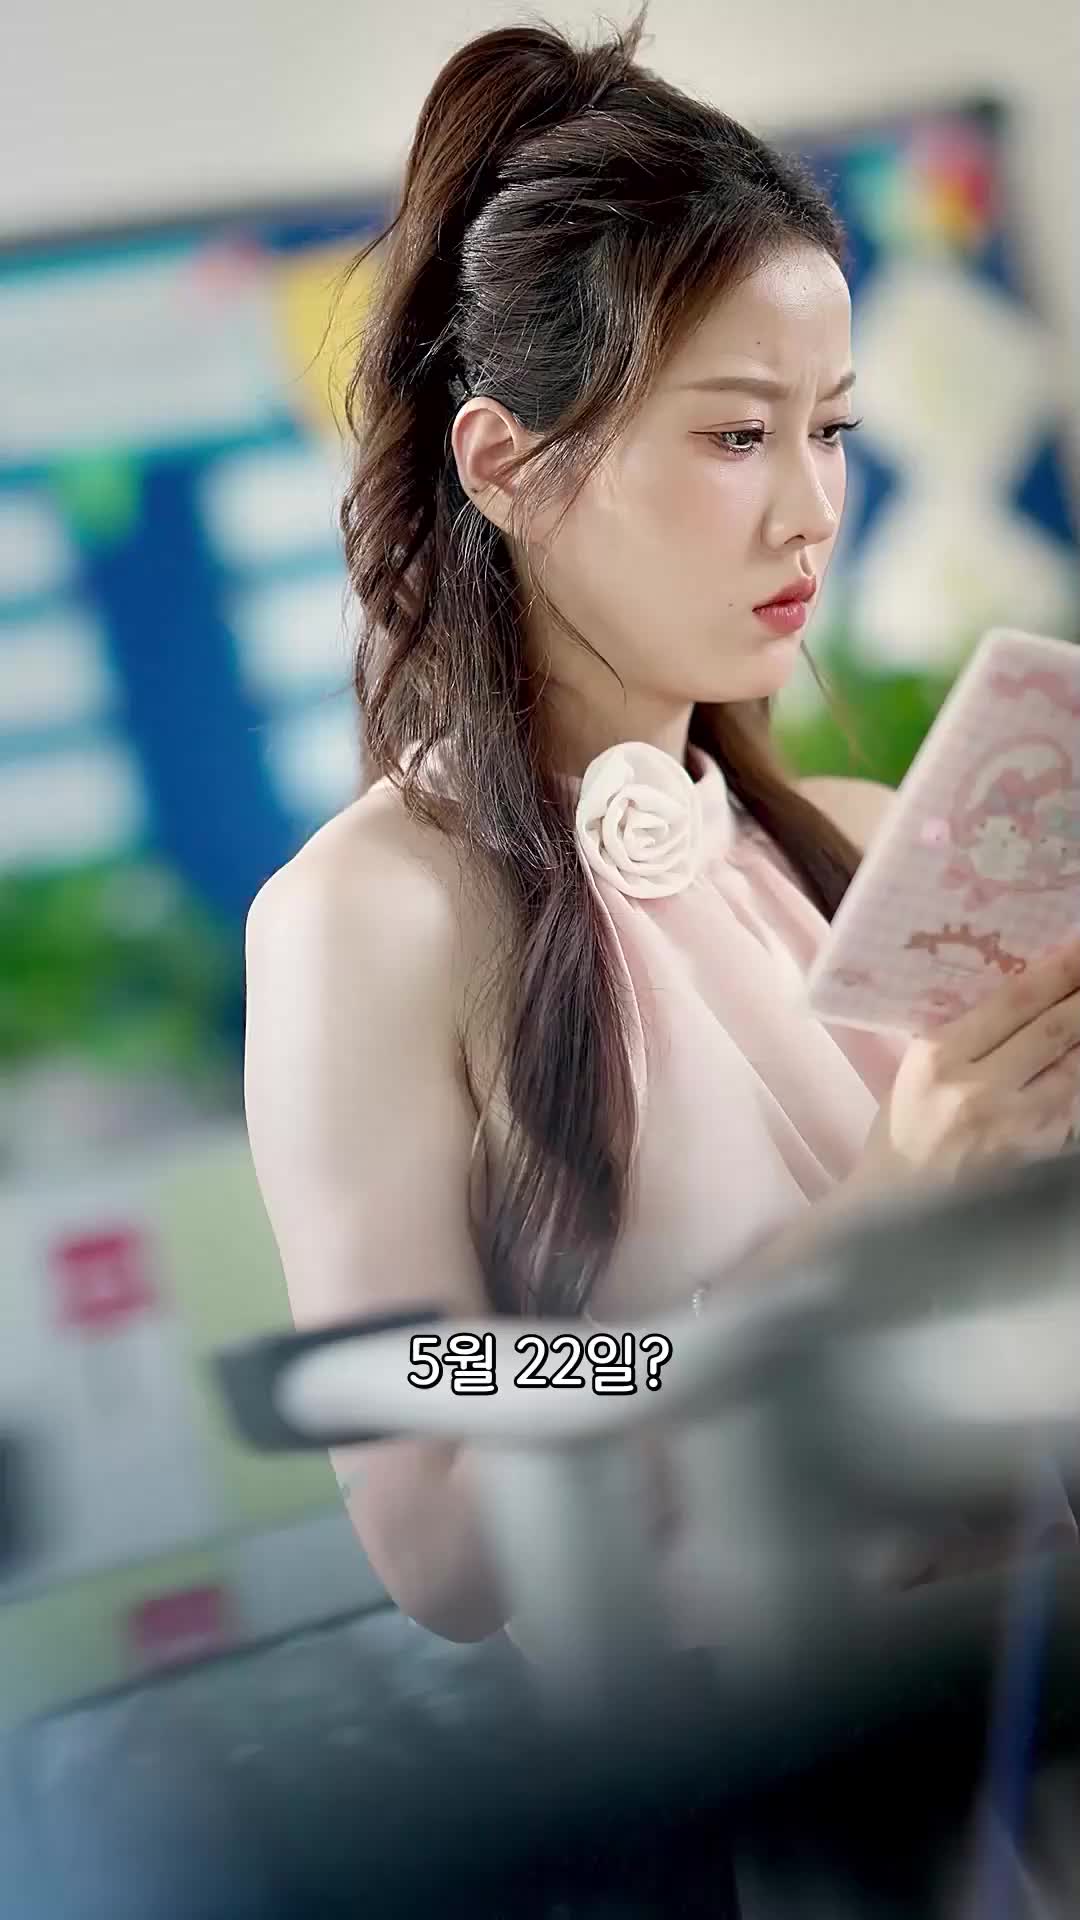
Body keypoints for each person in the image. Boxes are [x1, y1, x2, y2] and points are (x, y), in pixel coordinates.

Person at [243, 15, 1080, 1645]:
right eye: (736, 434)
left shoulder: (870, 845)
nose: (813, 509)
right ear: (505, 463)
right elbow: (446, 1541)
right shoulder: (368, 918)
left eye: (833, 429)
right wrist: (886, 1207)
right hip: (775, 1787)